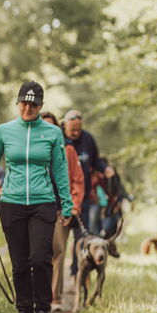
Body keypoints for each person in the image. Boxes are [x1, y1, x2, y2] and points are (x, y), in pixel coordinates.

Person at [0, 81, 72, 313]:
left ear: (41, 106)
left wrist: (67, 203)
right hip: (13, 203)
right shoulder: (4, 131)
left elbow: (61, 169)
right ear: (17, 103)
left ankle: (42, 311)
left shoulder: (52, 133)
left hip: (43, 203)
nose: (28, 107)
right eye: (24, 103)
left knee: (40, 258)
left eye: (34, 104)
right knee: (19, 263)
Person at [62, 110, 113, 276]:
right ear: (64, 126)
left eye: (78, 129)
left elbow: (96, 160)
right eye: (72, 130)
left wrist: (105, 169)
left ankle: (77, 270)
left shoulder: (88, 139)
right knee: (58, 242)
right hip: (61, 199)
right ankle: (55, 279)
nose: (76, 133)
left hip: (84, 198)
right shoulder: (58, 139)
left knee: (82, 237)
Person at [41, 111, 84, 311]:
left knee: (57, 251)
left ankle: (54, 298)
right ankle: (36, 296)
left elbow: (77, 179)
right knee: (38, 253)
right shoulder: (32, 149)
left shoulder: (67, 149)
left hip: (59, 208)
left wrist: (73, 205)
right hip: (37, 207)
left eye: (52, 126)